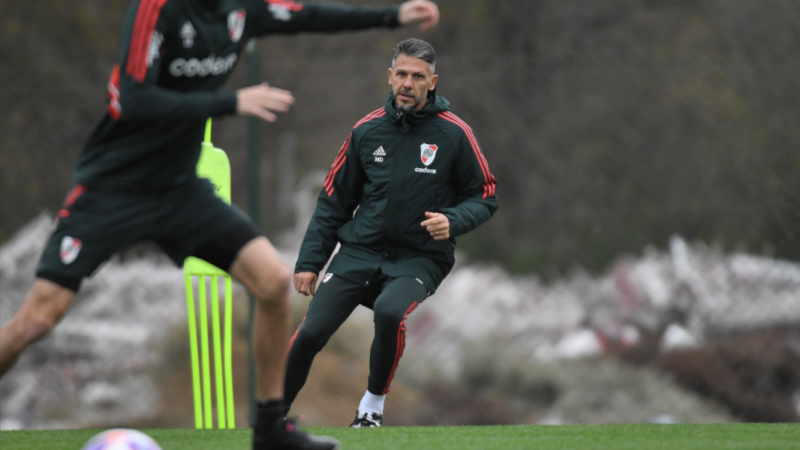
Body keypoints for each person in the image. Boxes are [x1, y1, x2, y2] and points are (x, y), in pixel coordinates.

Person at [0, 1, 439, 449]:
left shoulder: (239, 10)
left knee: (270, 281)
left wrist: (391, 16)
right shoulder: (158, 11)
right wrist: (230, 101)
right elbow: (134, 98)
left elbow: (306, 15)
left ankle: (269, 429)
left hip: (180, 192)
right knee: (38, 318)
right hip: (113, 189)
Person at [286, 38, 498, 427]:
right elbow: (333, 201)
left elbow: (485, 195)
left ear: (432, 82)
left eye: (418, 77)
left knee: (388, 313)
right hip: (360, 251)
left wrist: (453, 220)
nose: (408, 83)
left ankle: (370, 409)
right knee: (310, 332)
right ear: (390, 76)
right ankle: (271, 416)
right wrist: (310, 262)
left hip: (419, 258)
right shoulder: (366, 131)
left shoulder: (455, 134)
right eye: (401, 74)